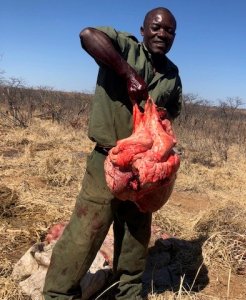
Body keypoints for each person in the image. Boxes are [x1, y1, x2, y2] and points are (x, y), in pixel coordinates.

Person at [43, 6, 182, 300]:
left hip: (145, 170)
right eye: (156, 27)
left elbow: (172, 112)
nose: (162, 34)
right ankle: (58, 294)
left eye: (169, 30)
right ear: (143, 30)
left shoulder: (172, 74)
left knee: (136, 232)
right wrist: (127, 73)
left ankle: (128, 292)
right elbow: (87, 35)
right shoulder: (125, 47)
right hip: (107, 161)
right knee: (86, 232)